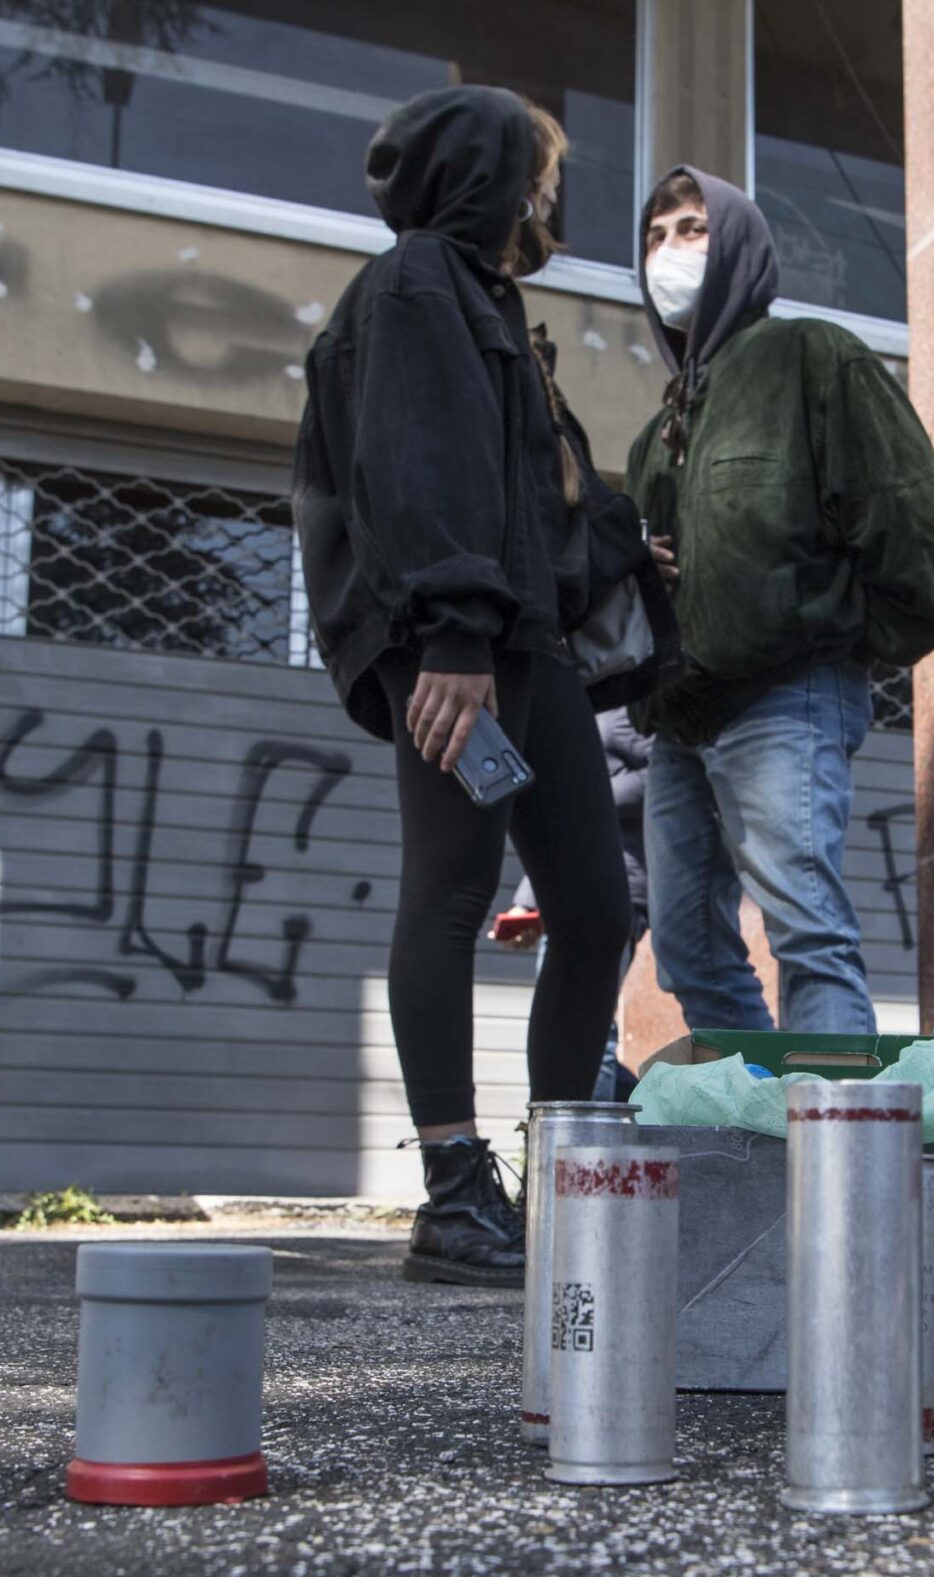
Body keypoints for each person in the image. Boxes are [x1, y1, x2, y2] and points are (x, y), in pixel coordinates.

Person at [295, 87, 631, 1286]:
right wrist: (450, 638)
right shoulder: (417, 285)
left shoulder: (490, 303)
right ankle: (452, 1193)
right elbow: (421, 466)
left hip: (517, 639)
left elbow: (534, 493)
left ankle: (561, 1176)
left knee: (596, 906)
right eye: (539, 170)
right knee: (450, 892)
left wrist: (631, 544)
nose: (552, 195)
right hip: (462, 642)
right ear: (484, 171)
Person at [628, 166, 934, 1036]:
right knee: (687, 949)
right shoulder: (658, 431)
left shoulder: (812, 356)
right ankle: (765, 1132)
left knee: (808, 935)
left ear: (740, 242)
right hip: (679, 719)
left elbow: (916, 524)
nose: (670, 250)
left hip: (787, 696)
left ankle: (834, 1162)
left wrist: (837, 635)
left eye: (693, 228)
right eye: (656, 235)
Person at [490, 706, 652, 1099]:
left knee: (588, 1028)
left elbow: (662, 776)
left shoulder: (627, 708)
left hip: (617, 887)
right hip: (562, 891)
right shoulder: (575, 704)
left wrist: (584, 796)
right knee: (566, 1027)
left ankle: (583, 1148)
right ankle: (589, 1128)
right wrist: (525, 905)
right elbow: (560, 830)